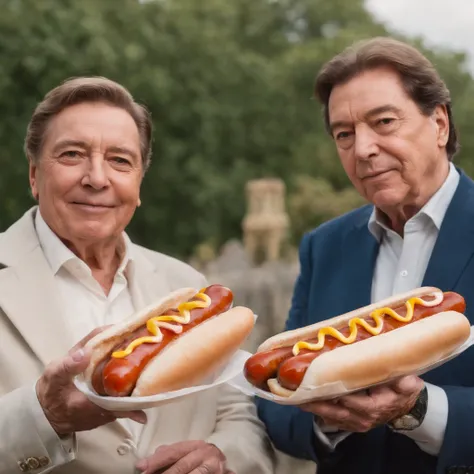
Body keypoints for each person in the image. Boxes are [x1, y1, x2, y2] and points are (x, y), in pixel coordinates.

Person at [0, 76, 275, 474]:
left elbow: (238, 412)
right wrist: (45, 416)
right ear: (33, 175)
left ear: (138, 183)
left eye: (120, 160)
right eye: (73, 154)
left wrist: (222, 456)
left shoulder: (189, 285)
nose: (97, 178)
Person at [256, 36, 474, 474]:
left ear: (440, 124)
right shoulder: (324, 245)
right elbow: (274, 398)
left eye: (384, 122)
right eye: (344, 134)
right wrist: (326, 419)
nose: (363, 149)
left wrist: (420, 410)